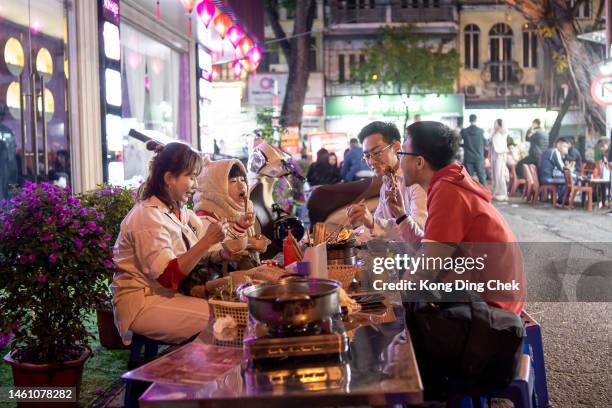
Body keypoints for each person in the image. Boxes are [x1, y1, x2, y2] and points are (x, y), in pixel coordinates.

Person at [391, 121, 525, 314]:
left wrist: (393, 299)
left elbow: (427, 265)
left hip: (492, 309)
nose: (399, 160)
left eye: (402, 153)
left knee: (401, 319)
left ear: (419, 162)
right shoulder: (449, 183)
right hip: (488, 295)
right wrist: (400, 215)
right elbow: (431, 250)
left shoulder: (448, 192)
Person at [111, 142, 228, 345]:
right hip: (144, 302)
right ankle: (188, 374)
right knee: (223, 320)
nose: (196, 185)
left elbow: (199, 254)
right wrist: (208, 240)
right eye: (191, 177)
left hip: (168, 294)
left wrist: (226, 252)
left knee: (231, 308)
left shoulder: (180, 211)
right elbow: (167, 275)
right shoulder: (146, 216)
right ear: (168, 179)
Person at [347, 121, 427, 242]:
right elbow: (378, 224)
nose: (371, 162)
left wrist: (373, 223)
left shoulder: (415, 180)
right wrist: (350, 235)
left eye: (377, 153)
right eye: (367, 156)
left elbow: (418, 231)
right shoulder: (386, 183)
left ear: (396, 147)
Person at [193, 158, 263, 271]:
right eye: (233, 181)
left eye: (242, 179)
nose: (242, 186)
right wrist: (249, 243)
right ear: (216, 188)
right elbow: (209, 256)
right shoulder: (205, 219)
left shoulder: (243, 212)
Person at [538, 138, 571, 205]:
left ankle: (562, 199)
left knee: (564, 179)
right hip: (547, 179)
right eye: (564, 146)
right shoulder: (555, 152)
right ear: (558, 145)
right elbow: (562, 169)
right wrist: (573, 175)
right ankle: (562, 200)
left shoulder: (550, 151)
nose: (566, 149)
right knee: (569, 180)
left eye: (567, 147)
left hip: (543, 177)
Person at [460, 114, 487, 185]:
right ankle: (484, 194)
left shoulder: (464, 131)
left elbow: (458, 142)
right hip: (479, 157)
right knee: (481, 176)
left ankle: (470, 195)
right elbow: (485, 143)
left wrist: (465, 145)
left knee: (469, 178)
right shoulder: (481, 131)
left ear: (469, 120)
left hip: (468, 157)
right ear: (476, 120)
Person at [490, 119, 509, 201]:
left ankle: (502, 194)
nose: (494, 125)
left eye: (496, 123)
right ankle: (495, 192)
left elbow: (504, 132)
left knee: (500, 175)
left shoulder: (503, 131)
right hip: (495, 155)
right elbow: (490, 141)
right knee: (495, 175)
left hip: (500, 155)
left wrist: (496, 130)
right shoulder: (494, 132)